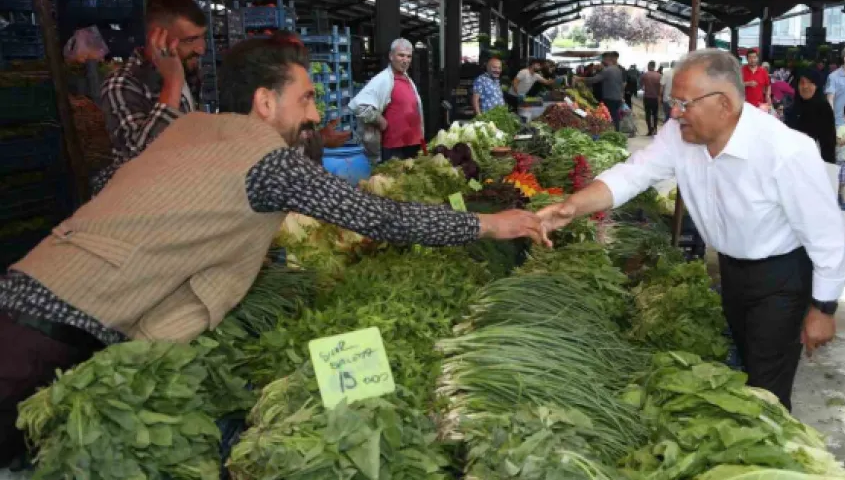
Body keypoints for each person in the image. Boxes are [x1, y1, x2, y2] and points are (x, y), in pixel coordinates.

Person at [0, 35, 548, 463]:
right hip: (54, 326)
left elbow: (107, 185)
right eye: (306, 98)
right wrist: (489, 226)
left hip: (27, 282)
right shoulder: (268, 159)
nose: (313, 113)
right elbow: (380, 216)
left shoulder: (190, 129)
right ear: (265, 101)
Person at [541, 48, 845, 410]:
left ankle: (772, 450)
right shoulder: (680, 135)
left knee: (767, 388)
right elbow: (633, 173)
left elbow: (828, 235)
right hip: (732, 270)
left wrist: (823, 309)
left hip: (781, 278)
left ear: (722, 103)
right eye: (673, 102)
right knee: (747, 366)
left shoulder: (785, 151)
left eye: (683, 103)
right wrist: (571, 207)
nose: (673, 112)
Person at [95, 0, 209, 191]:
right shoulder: (122, 84)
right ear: (159, 38)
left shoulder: (189, 71)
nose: (201, 49)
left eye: (202, 37)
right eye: (190, 40)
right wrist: (172, 84)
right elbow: (138, 159)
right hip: (143, 202)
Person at [349, 38, 424, 163]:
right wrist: (379, 120)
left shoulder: (407, 78)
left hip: (413, 144)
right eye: (401, 55)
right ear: (391, 56)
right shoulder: (383, 79)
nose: (405, 60)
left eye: (408, 57)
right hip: (394, 147)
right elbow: (358, 105)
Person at [786, 68, 836, 164]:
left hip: (815, 161)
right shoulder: (794, 107)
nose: (805, 87)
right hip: (793, 161)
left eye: (810, 83)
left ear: (817, 86)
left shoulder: (823, 108)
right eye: (802, 83)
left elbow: (828, 142)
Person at [581, 52, 626, 132]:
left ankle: (613, 133)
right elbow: (622, 84)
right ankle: (616, 131)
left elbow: (594, 80)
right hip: (617, 97)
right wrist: (621, 95)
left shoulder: (607, 70)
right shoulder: (618, 69)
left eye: (603, 60)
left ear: (607, 59)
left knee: (610, 116)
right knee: (615, 116)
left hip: (610, 97)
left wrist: (580, 79)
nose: (602, 62)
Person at [640, 61, 663, 135]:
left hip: (647, 97)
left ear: (649, 66)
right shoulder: (659, 76)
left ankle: (650, 130)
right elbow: (661, 88)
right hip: (655, 98)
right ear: (654, 66)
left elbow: (641, 85)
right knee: (655, 114)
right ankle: (655, 129)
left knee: (648, 114)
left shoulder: (645, 75)